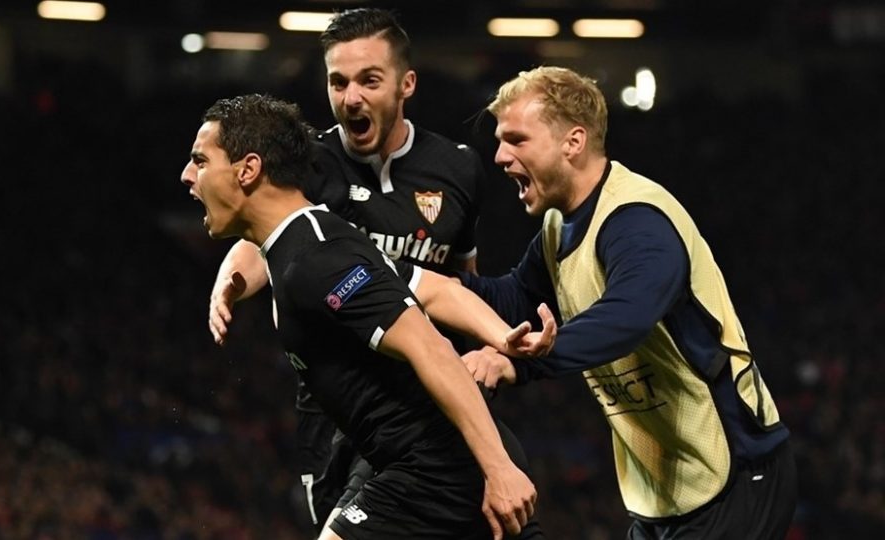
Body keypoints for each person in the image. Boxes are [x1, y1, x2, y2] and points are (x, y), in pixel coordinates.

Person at [198, 8, 516, 535]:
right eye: (338, 82)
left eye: (369, 80)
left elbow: (457, 282)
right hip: (337, 419)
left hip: (424, 408)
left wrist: (494, 346)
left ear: (405, 84)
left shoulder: (458, 167)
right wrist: (228, 279)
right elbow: (267, 237)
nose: (351, 98)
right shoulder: (308, 164)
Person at [458, 66, 797, 539]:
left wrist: (519, 362)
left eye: (516, 139)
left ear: (573, 142)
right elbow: (512, 299)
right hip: (664, 492)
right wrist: (421, 277)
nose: (499, 156)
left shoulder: (637, 219)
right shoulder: (559, 227)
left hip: (736, 473)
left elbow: (625, 319)